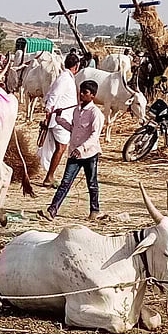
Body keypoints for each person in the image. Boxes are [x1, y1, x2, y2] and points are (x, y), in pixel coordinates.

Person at [39, 80, 104, 221]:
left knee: (92, 184)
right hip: (75, 153)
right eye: (81, 91)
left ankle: (94, 211)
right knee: (65, 183)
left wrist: (81, 148)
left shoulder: (96, 113)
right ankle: (52, 210)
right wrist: (59, 118)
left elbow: (95, 136)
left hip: (89, 154)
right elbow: (72, 129)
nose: (81, 94)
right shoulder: (77, 110)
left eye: (85, 92)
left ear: (93, 95)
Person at [39, 53, 83, 187]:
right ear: (76, 66)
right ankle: (49, 177)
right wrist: (48, 111)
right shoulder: (65, 79)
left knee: (57, 147)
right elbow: (53, 95)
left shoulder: (65, 77)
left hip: (62, 117)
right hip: (60, 118)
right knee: (61, 147)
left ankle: (50, 174)